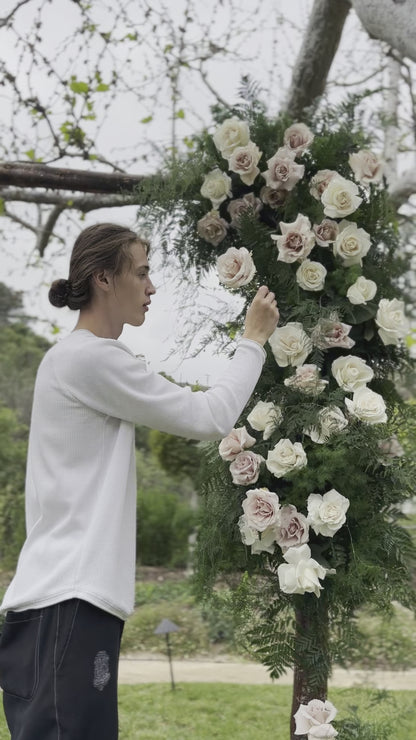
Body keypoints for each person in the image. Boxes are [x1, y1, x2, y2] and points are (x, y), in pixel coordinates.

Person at [0, 222, 279, 739]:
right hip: (69, 603)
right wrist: (253, 341)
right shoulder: (89, 359)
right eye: (143, 272)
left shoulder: (71, 361)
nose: (152, 287)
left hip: (51, 605)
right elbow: (208, 416)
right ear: (105, 278)